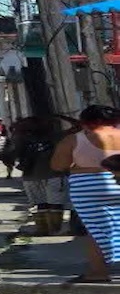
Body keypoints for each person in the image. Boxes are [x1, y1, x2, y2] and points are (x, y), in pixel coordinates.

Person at [50, 105, 120, 283]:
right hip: (118, 179)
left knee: (96, 229)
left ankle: (98, 272)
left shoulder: (75, 139)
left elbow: (58, 165)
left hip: (88, 186)